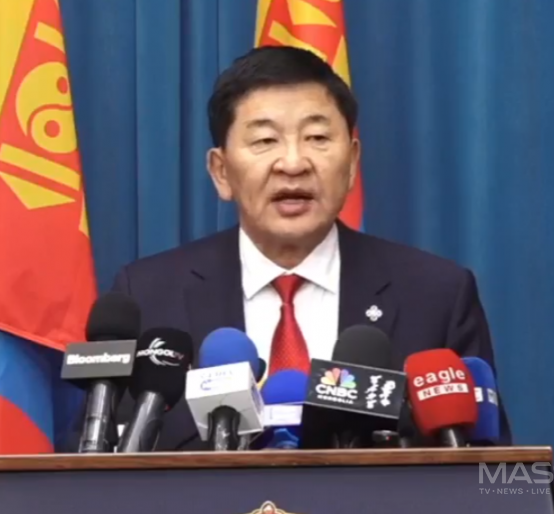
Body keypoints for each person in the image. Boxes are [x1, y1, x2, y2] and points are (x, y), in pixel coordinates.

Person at [109, 45, 512, 450]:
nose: (293, 163)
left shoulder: (436, 295)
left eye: (317, 137)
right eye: (265, 140)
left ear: (352, 163)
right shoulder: (148, 296)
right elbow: (103, 463)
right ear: (221, 171)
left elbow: (484, 469)